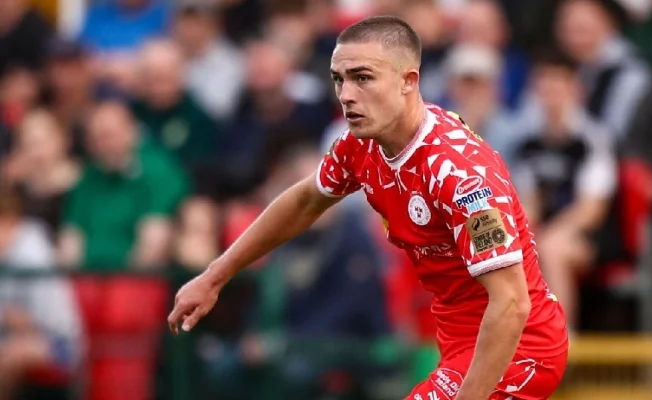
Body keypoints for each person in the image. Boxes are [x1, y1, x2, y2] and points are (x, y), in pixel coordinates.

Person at [168, 16, 569, 400]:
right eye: (338, 79)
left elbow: (512, 303)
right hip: (461, 343)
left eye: (362, 78)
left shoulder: (460, 174)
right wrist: (215, 276)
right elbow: (306, 200)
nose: (346, 95)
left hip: (519, 349)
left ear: (408, 81)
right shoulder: (361, 145)